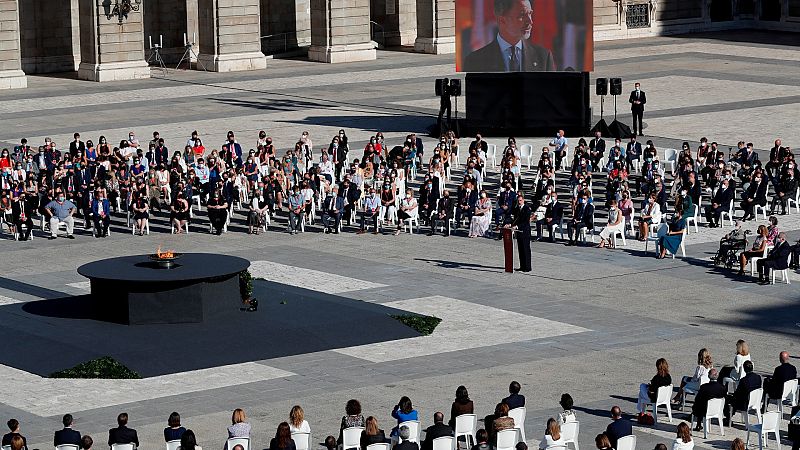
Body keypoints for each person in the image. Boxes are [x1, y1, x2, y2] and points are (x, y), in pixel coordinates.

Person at [461, 0, 555, 72]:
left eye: (530, 14)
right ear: (502, 20)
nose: (530, 21)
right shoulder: (475, 61)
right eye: (522, 15)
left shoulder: (544, 58)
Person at [509, 194, 532, 271]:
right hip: (519, 232)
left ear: (523, 200)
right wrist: (510, 224)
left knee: (526, 249)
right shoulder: (517, 209)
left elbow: (525, 222)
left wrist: (517, 226)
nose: (519, 202)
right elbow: (515, 219)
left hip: (525, 231)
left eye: (520, 200)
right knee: (521, 249)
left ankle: (527, 267)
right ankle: (522, 266)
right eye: (518, 201)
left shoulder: (527, 209)